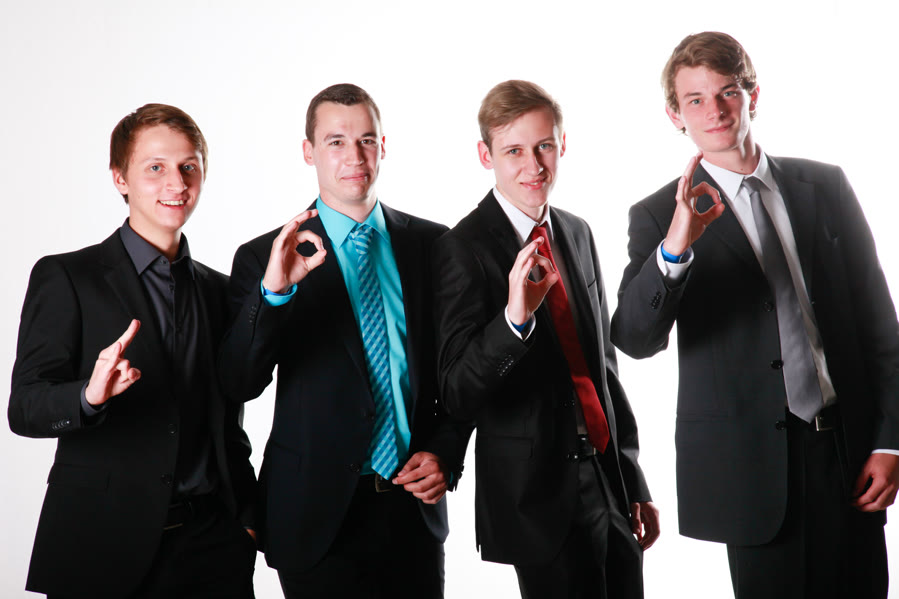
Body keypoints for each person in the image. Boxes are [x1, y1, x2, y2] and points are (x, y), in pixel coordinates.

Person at [611, 31, 899, 598]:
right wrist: (676, 247)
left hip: (847, 452)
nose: (715, 110)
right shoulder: (658, 215)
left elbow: (879, 325)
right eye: (695, 99)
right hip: (749, 471)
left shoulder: (825, 185)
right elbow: (635, 338)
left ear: (753, 95)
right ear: (675, 116)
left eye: (727, 92)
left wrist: (890, 442)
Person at [218, 83, 469, 598]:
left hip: (411, 512)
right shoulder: (265, 255)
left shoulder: (434, 244)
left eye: (366, 140)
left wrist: (446, 450)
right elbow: (239, 382)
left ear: (383, 146)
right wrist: (274, 293)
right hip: (313, 518)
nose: (354, 156)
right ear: (308, 151)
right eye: (335, 141)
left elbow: (460, 370)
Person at [8, 104, 257, 598]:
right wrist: (88, 396)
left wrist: (246, 521)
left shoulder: (221, 291)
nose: (176, 183)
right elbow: (25, 407)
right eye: (155, 168)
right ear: (120, 178)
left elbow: (227, 422)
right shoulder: (67, 277)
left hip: (212, 547)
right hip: (101, 545)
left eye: (188, 166)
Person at [433, 80, 658, 599]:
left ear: (562, 145)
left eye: (544, 146)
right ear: (485, 156)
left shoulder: (576, 231)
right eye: (514, 151)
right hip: (537, 497)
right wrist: (514, 320)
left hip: (607, 477)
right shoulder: (461, 248)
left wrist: (631, 479)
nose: (533, 165)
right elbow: (458, 390)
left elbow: (602, 367)